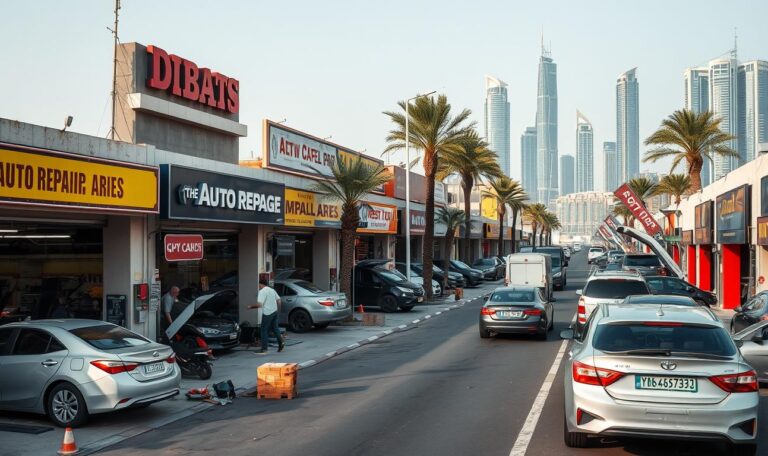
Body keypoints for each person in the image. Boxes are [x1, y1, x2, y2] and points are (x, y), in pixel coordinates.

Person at [248, 278, 284, 354]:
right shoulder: (272, 290)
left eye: (259, 285)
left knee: (263, 330)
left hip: (267, 313)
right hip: (274, 312)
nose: (259, 286)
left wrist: (250, 307)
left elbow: (260, 304)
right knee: (275, 329)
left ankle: (264, 349)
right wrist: (277, 310)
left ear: (260, 284)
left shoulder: (262, 292)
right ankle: (281, 344)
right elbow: (279, 300)